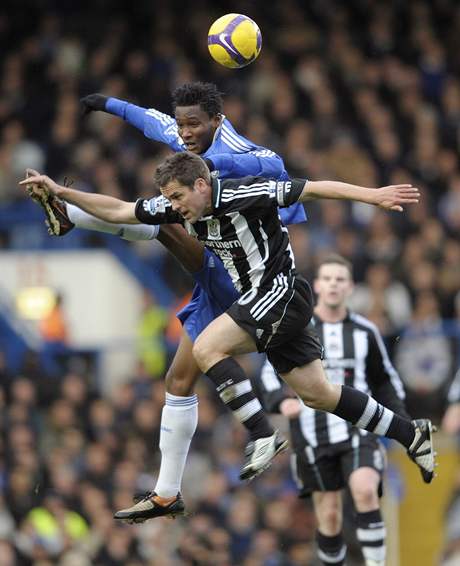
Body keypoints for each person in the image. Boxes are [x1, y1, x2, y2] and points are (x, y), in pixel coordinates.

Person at [22, 151, 436, 526]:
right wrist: (62, 192)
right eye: (169, 198)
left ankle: (260, 434)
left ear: (202, 185)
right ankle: (410, 434)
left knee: (206, 347)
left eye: (179, 196)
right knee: (319, 394)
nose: (175, 206)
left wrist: (374, 196)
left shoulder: (244, 192)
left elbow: (313, 188)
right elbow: (119, 209)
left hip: (280, 294)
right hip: (261, 301)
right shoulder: (179, 203)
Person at [27, 82, 306, 516]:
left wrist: (220, 167)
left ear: (218, 120)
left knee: (162, 218)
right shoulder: (186, 137)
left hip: (241, 274)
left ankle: (259, 432)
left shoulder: (231, 149)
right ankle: (167, 493)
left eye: (194, 123)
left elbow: (275, 164)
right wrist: (107, 104)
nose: (185, 131)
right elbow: (151, 120)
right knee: (178, 382)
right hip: (216, 268)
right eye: (182, 123)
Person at [257, 254, 409, 566]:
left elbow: (386, 381)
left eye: (340, 279)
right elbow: (267, 373)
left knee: (365, 491)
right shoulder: (297, 327)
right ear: (317, 285)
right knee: (329, 515)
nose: (333, 285)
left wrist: (403, 424)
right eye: (327, 278)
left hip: (358, 430)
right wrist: (279, 401)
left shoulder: (366, 331)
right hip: (312, 434)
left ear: (350, 287)